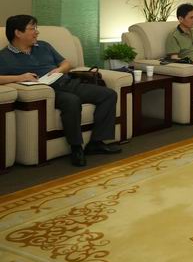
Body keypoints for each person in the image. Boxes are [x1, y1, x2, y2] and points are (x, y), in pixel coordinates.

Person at [0, 15, 121, 167]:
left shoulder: (43, 46)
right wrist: (20, 77)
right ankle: (76, 147)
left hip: (68, 83)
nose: (37, 32)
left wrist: (59, 70)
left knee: (108, 94)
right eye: (32, 29)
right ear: (18, 33)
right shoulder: (4, 57)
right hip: (49, 93)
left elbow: (66, 63)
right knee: (72, 101)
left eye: (36, 28)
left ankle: (96, 143)